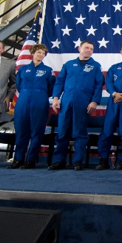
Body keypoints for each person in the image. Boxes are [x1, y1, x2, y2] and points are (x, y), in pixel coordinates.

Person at [51, 41, 105, 171]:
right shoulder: (69, 65)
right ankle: (59, 161)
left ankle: (78, 161)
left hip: (83, 101)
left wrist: (94, 101)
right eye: (86, 48)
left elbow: (99, 85)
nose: (89, 50)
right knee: (63, 131)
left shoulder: (95, 66)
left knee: (80, 132)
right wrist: (56, 98)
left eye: (91, 49)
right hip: (67, 100)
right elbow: (59, 82)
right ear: (79, 48)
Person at [8, 44, 55, 169]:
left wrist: (39, 94)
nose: (41, 55)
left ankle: (31, 160)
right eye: (39, 52)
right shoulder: (23, 69)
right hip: (23, 100)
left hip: (40, 101)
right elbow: (18, 85)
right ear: (33, 53)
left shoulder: (48, 70)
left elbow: (51, 87)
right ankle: (18, 159)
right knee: (21, 131)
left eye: (43, 53)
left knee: (37, 131)